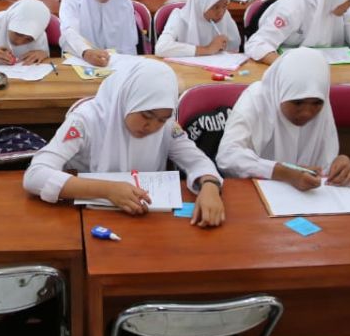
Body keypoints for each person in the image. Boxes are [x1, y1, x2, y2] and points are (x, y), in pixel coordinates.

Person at [23, 60, 224, 225]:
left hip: (147, 219)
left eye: (161, 119)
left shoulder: (166, 126)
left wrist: (210, 186)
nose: (153, 126)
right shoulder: (86, 120)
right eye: (146, 115)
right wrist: (107, 190)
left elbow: (197, 160)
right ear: (127, 99)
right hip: (89, 219)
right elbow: (35, 175)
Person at [218, 46, 350, 189]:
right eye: (297, 103)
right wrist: (283, 172)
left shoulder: (323, 105)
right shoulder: (257, 99)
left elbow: (324, 167)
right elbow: (227, 156)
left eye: (316, 103)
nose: (307, 113)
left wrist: (339, 163)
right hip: (255, 193)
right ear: (281, 90)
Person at [154, 0, 241, 58]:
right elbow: (161, 48)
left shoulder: (226, 16)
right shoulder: (180, 17)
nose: (221, 12)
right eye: (215, 7)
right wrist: (207, 49)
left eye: (225, 5)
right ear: (201, 4)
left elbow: (235, 47)